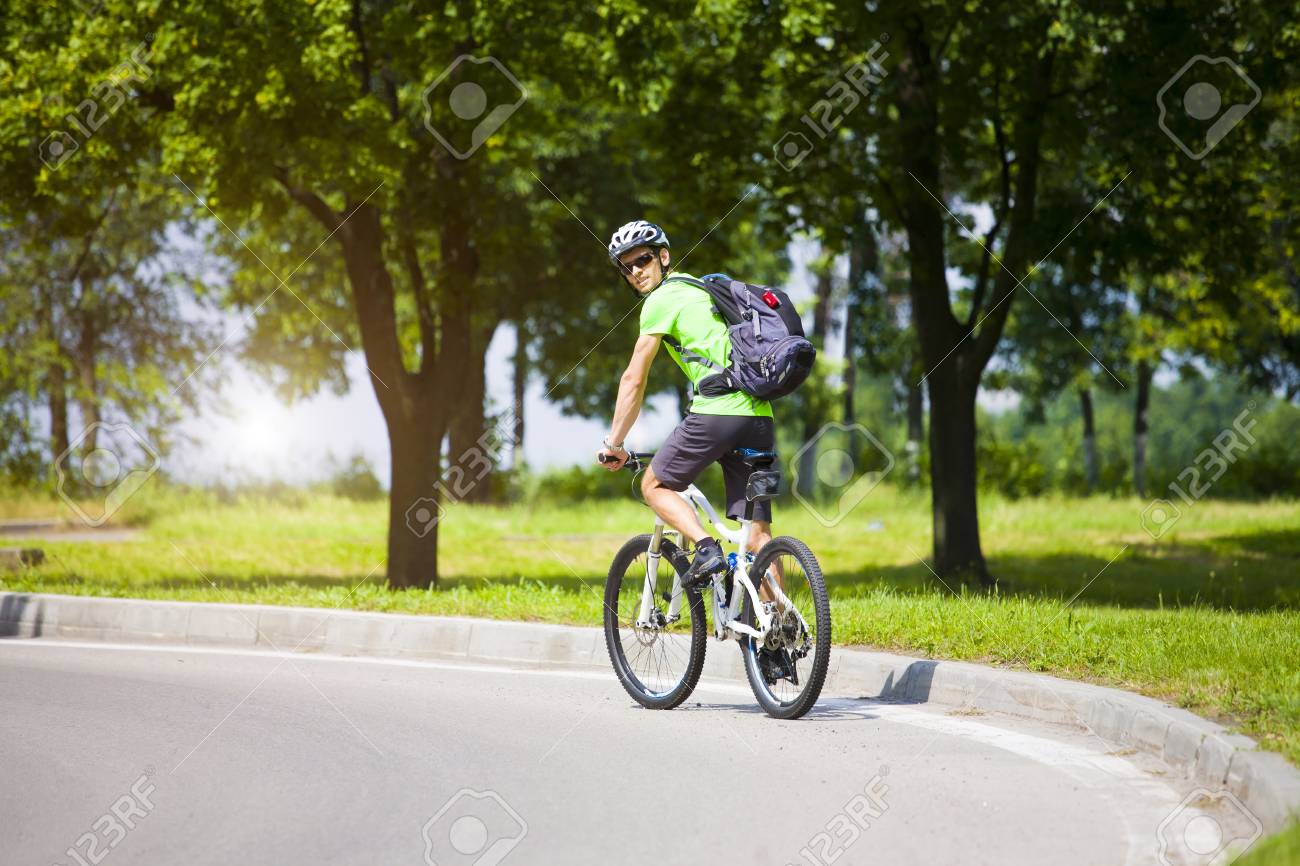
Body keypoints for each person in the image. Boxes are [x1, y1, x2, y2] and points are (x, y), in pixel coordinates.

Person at [595, 220, 776, 586]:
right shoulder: (701, 289)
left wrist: (614, 444)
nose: (635, 272)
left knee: (654, 486)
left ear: (663, 256)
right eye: (625, 267)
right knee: (758, 537)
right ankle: (779, 633)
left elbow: (633, 378)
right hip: (760, 416)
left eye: (642, 260)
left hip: (717, 413)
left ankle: (706, 549)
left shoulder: (660, 301)